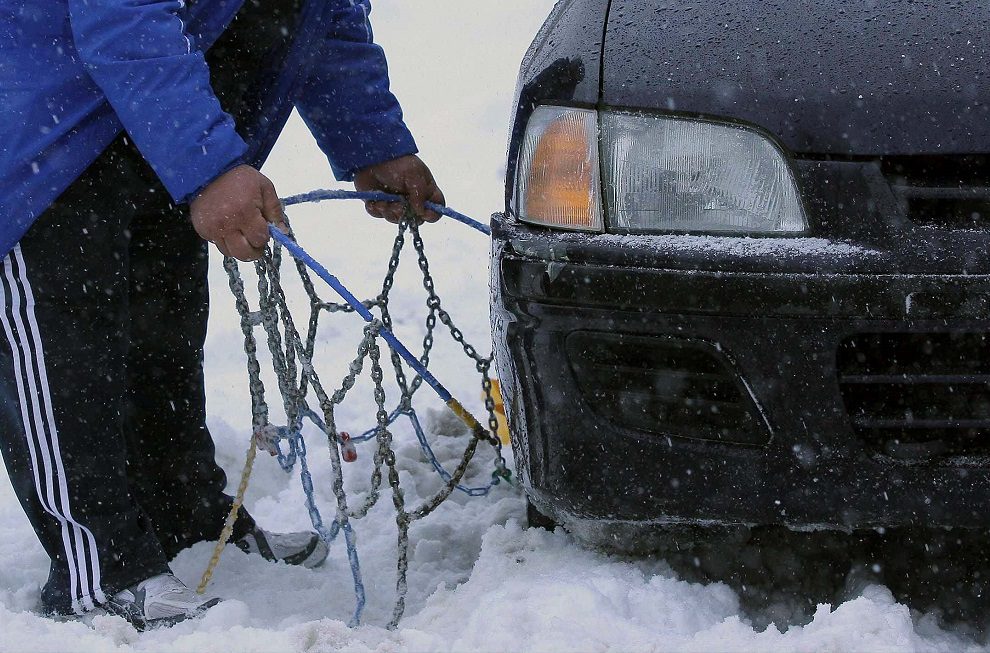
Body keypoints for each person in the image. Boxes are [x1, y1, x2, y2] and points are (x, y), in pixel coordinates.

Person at [0, 0, 444, 629]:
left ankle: (187, 522)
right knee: (65, 367)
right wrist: (208, 166)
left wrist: (373, 140)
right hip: (42, 135)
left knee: (162, 341)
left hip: (152, 131)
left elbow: (324, 13)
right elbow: (123, 17)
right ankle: (99, 573)